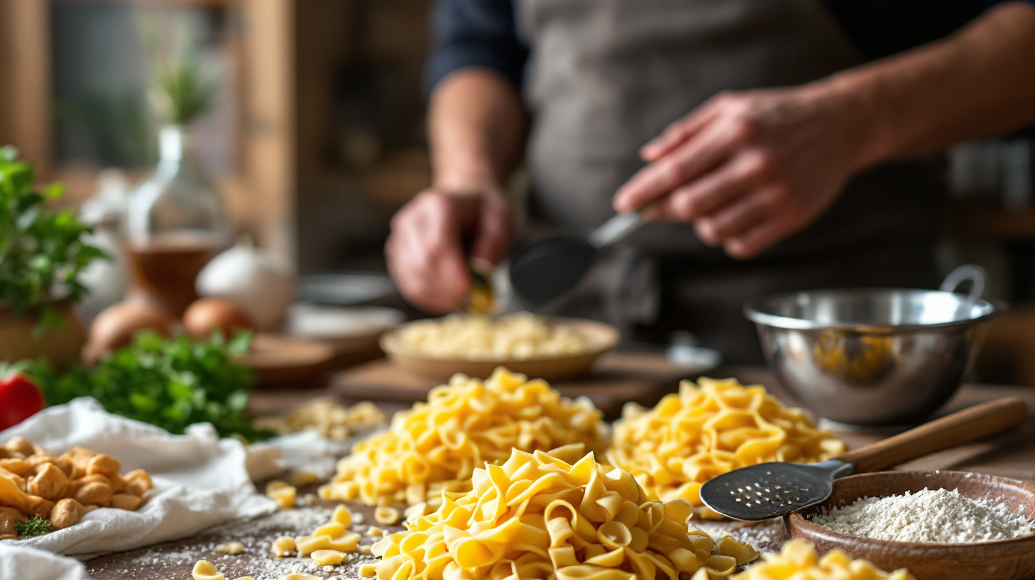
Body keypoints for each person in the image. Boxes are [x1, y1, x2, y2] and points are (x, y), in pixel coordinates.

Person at [386, 0, 1035, 362]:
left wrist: (853, 121)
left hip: (831, 347)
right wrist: (468, 173)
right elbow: (480, 45)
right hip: (573, 333)